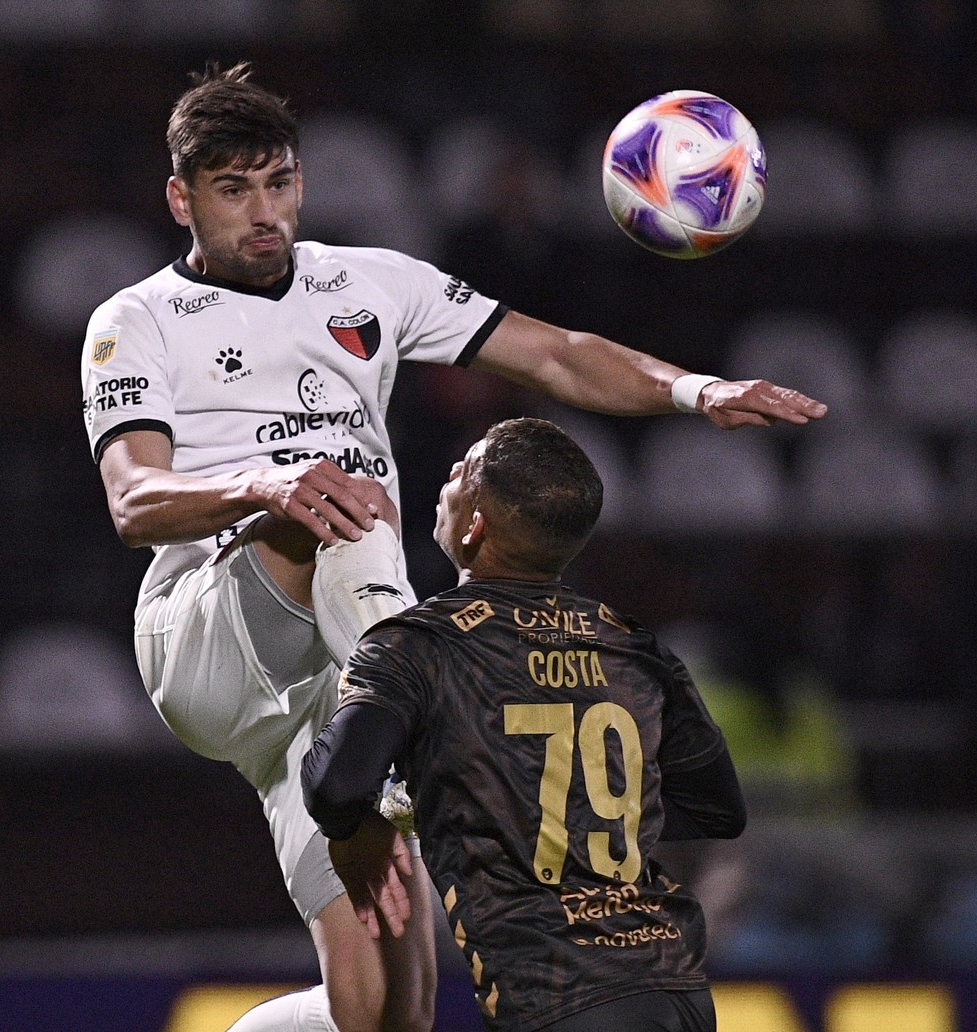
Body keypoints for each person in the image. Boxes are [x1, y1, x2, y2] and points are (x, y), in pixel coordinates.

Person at [81, 62, 823, 1032]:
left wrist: (693, 390)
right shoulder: (133, 321)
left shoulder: (371, 283)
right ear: (182, 199)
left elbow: (556, 354)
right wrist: (264, 485)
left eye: (278, 183)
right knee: (342, 508)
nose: (263, 212)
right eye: (232, 190)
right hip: (208, 636)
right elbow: (134, 499)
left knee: (384, 1011)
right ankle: (425, 731)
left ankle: (386, 754)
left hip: (331, 691)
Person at [303, 417, 747, 1032]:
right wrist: (579, 819)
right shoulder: (636, 648)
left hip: (558, 996)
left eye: (464, 470)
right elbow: (720, 809)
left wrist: (426, 815)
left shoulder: (419, 646)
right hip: (676, 987)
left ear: (475, 524)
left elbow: (336, 787)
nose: (449, 475)